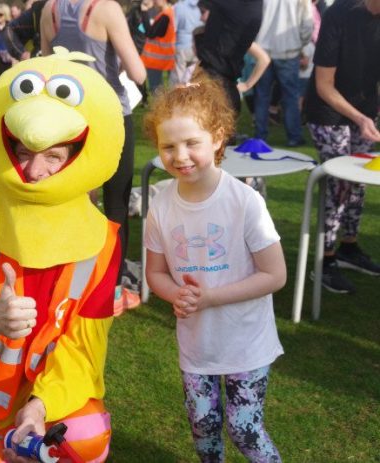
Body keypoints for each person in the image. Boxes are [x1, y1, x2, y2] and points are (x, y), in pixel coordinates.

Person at [0, 50, 125, 463]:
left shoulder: (103, 239)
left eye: (54, 156)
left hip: (49, 401)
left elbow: (83, 350)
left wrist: (40, 406)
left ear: (77, 157)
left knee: (88, 436)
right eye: (23, 153)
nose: (35, 171)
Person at [143, 75, 285, 462]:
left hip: (246, 343)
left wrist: (210, 298)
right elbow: (154, 273)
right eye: (168, 146)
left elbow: (275, 275)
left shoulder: (245, 202)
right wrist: (176, 294)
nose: (181, 155)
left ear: (218, 137)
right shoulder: (160, 205)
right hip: (197, 345)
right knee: (203, 428)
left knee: (244, 429)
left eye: (192, 143)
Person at [40, 0, 147, 314]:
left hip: (69, 118)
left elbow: (50, 68)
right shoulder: (107, 9)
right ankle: (113, 288)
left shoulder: (50, 10)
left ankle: (74, 281)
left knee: (78, 201)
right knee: (116, 203)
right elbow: (138, 71)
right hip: (110, 115)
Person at [304, 0, 380, 294]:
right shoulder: (339, 13)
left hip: (365, 112)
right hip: (329, 112)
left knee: (359, 182)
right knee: (338, 185)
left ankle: (349, 248)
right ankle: (325, 260)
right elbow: (324, 84)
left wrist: (368, 115)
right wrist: (359, 118)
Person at [253, 0, 313, 147]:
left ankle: (260, 136)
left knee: (262, 96)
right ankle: (294, 137)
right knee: (290, 97)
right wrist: (302, 44)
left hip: (263, 50)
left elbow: (253, 17)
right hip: (289, 50)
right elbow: (307, 24)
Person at [194, 0, 263, 116]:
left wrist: (247, 85)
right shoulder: (253, 9)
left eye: (202, 12)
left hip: (215, 87)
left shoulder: (232, 7)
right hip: (227, 88)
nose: (201, 18)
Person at [140, 0, 176, 94]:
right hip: (168, 57)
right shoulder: (171, 12)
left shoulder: (165, 16)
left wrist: (144, 11)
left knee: (157, 91)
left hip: (155, 60)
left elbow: (150, 33)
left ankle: (161, 108)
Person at [170, 0, 201, 86]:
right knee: (195, 77)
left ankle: (179, 98)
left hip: (182, 45)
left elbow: (174, 27)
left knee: (179, 79)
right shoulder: (202, 4)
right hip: (198, 46)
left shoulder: (179, 6)